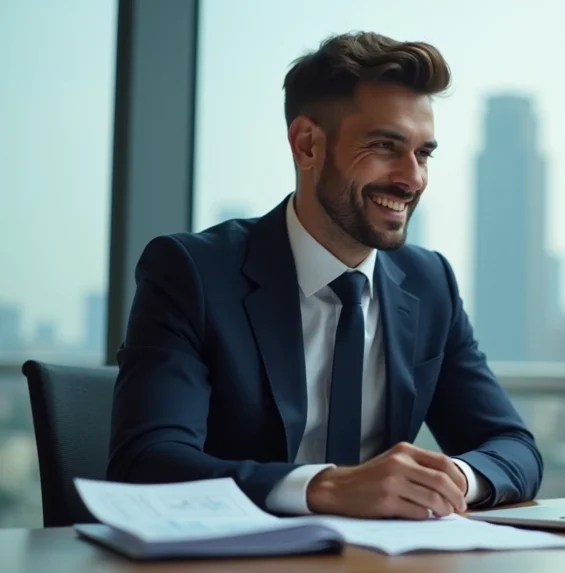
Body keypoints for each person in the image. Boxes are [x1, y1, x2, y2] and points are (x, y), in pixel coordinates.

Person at [107, 31, 542, 520]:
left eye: (423, 154)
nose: (413, 178)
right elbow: (146, 464)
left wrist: (452, 479)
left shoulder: (430, 282)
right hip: (236, 552)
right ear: (307, 145)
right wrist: (325, 488)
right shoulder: (193, 274)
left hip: (383, 554)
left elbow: (514, 448)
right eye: (385, 145)